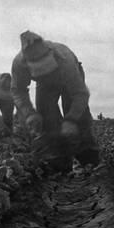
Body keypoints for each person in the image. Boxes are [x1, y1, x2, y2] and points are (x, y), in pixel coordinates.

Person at [11, 30, 100, 169]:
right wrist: (29, 113)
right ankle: (59, 161)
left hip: (68, 79)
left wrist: (71, 119)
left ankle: (88, 158)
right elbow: (18, 90)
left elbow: (80, 94)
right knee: (46, 118)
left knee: (78, 116)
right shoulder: (19, 64)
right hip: (44, 85)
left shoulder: (65, 59)